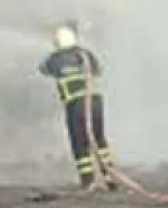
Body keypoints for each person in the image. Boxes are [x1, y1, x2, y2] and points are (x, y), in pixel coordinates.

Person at [37, 23, 115, 190]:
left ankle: (88, 180)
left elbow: (43, 70)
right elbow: (98, 70)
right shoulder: (85, 54)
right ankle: (109, 177)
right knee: (99, 139)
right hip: (94, 102)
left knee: (79, 141)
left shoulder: (55, 58)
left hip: (75, 104)